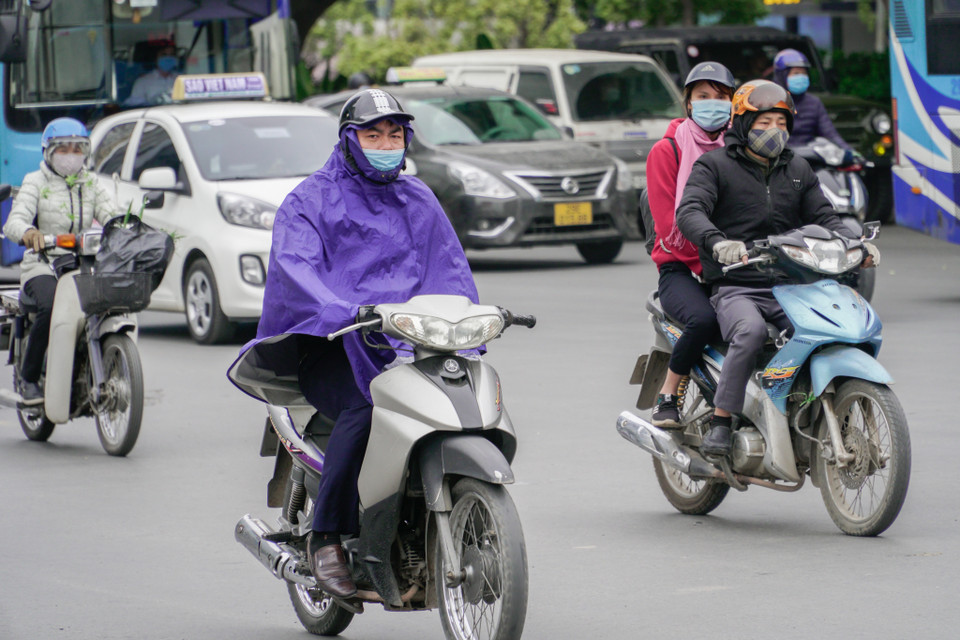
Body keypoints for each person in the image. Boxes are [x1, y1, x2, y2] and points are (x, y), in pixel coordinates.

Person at [227, 89, 480, 599]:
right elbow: (296, 270)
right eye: (373, 134)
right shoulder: (310, 200)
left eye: (394, 134)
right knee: (367, 407)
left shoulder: (419, 198)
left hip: (409, 342)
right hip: (332, 343)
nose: (385, 143)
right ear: (349, 140)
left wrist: (468, 319)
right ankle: (326, 536)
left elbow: (449, 269)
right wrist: (342, 310)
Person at [675, 80, 879, 456]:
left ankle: (810, 407)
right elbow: (690, 211)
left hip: (795, 283)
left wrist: (856, 243)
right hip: (737, 285)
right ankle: (722, 421)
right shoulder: (714, 166)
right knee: (750, 333)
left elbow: (825, 217)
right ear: (742, 123)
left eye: (781, 124)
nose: (774, 132)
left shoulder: (798, 168)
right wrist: (719, 242)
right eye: (764, 122)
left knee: (832, 330)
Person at [2, 118, 120, 404]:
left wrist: (125, 227)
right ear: (48, 152)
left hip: (82, 262)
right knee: (50, 304)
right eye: (63, 148)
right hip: (43, 263)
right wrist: (29, 232)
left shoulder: (92, 183)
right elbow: (14, 222)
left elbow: (111, 215)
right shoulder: (35, 181)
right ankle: (30, 378)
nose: (71, 154)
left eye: (77, 148)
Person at [645, 61, 735, 429]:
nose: (712, 104)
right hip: (682, 266)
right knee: (702, 320)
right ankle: (669, 393)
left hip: (734, 260)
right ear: (688, 104)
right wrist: (708, 262)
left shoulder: (737, 149)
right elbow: (669, 227)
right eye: (703, 97)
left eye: (721, 97)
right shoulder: (666, 151)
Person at [772, 48, 856, 157]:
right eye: (796, 73)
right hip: (780, 159)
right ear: (782, 76)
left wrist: (850, 153)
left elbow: (830, 133)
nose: (801, 77)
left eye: (804, 73)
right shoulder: (771, 103)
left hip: (811, 158)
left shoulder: (814, 103)